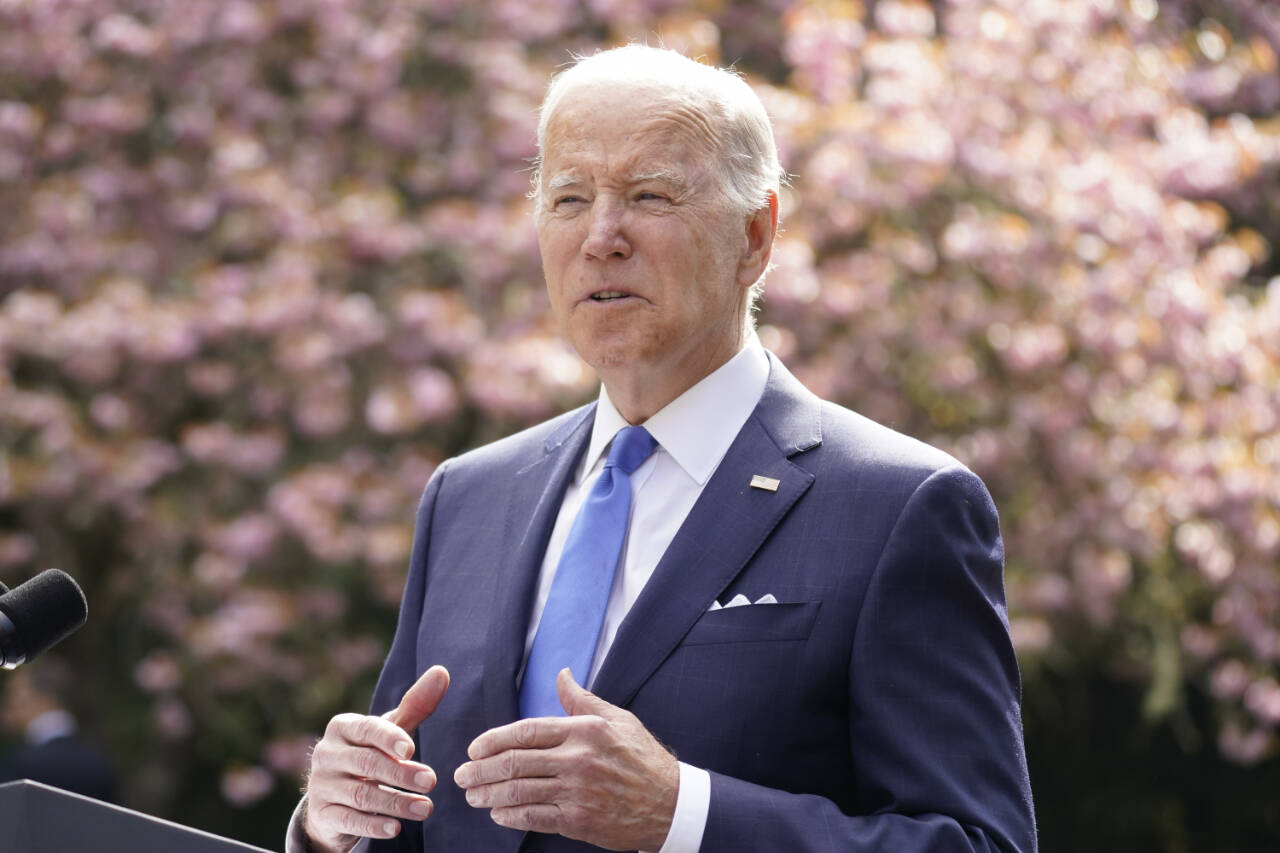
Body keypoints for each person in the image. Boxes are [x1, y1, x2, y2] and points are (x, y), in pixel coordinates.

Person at [289, 45, 1037, 853]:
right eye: (569, 198)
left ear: (755, 237)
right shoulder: (468, 496)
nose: (602, 237)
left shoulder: (901, 506)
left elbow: (978, 842)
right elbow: (407, 818)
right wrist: (334, 825)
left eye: (649, 196)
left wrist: (683, 814)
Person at [0, 656, 118, 803]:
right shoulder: (99, 763)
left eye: (15, 695)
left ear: (45, 700)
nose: (7, 704)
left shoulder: (20, 764)